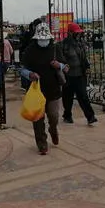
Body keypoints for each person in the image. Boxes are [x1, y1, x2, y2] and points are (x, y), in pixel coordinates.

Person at [20, 23, 65, 155]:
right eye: (41, 39)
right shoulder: (29, 51)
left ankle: (53, 129)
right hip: (36, 91)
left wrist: (59, 65)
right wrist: (30, 74)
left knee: (54, 116)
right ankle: (42, 143)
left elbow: (66, 66)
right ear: (36, 38)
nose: (43, 41)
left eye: (45, 39)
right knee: (38, 119)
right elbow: (22, 69)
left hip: (53, 90)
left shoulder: (55, 49)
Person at [57, 23, 97, 125]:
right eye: (76, 33)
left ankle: (90, 116)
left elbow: (84, 58)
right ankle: (67, 115)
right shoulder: (62, 45)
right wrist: (64, 67)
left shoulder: (80, 44)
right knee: (67, 98)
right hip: (68, 76)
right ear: (70, 33)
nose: (78, 35)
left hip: (80, 75)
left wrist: (87, 67)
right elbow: (60, 59)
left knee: (83, 96)